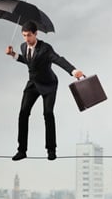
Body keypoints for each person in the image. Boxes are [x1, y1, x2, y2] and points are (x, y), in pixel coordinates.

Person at [5, 21, 83, 161]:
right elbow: (30, 62)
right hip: (33, 84)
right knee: (23, 114)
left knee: (48, 114)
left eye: (29, 35)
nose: (26, 39)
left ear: (36, 34)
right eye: (24, 35)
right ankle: (21, 150)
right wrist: (14, 55)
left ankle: (51, 150)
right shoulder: (23, 46)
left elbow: (58, 60)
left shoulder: (46, 48)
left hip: (49, 85)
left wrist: (73, 71)